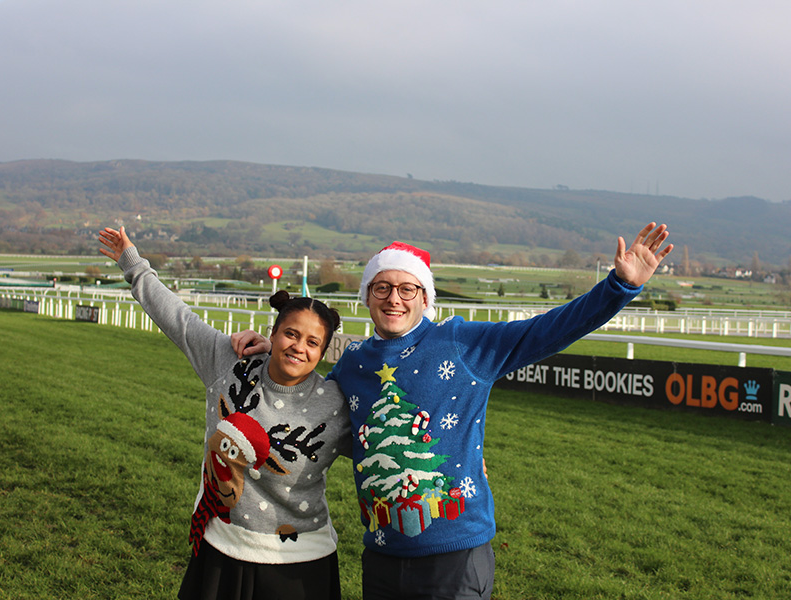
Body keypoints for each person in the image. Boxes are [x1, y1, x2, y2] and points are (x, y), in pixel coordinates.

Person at [232, 222, 674, 600]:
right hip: (381, 556)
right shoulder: (354, 363)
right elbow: (323, 417)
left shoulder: (464, 344)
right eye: (382, 288)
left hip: (455, 558)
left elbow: (548, 331)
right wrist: (278, 350)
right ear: (367, 297)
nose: (394, 299)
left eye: (408, 289)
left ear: (426, 297)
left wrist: (619, 287)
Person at [99, 226, 351, 600]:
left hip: (301, 565)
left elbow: (381, 446)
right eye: (291, 334)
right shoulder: (229, 362)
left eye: (313, 342)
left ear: (325, 351)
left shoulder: (335, 404)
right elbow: (178, 319)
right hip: (222, 548)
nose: (299, 347)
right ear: (274, 331)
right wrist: (132, 263)